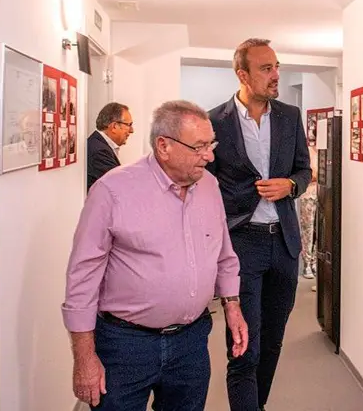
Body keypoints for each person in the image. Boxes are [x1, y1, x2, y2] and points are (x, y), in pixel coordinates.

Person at [62, 100, 249, 410]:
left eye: (211, 143)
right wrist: (84, 357)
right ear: (164, 146)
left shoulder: (210, 186)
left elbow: (223, 253)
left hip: (191, 342)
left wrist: (232, 304)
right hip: (125, 346)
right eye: (199, 146)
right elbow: (82, 277)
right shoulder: (113, 191)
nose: (210, 155)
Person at [206, 38, 312, 411]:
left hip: (283, 244)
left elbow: (304, 169)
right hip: (241, 244)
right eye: (266, 68)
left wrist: (291, 185)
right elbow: (205, 184)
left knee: (272, 342)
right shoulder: (214, 121)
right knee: (243, 346)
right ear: (243, 75)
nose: (276, 75)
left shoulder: (288, 116)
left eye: (277, 66)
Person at [87, 102, 134, 192]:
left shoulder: (100, 145)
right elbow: (121, 186)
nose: (132, 130)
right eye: (129, 125)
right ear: (114, 126)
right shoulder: (99, 152)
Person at [300, 144, 318, 288]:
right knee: (308, 230)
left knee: (319, 231)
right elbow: (306, 174)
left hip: (322, 195)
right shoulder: (309, 151)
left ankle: (315, 262)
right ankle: (307, 262)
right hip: (308, 196)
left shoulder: (325, 151)